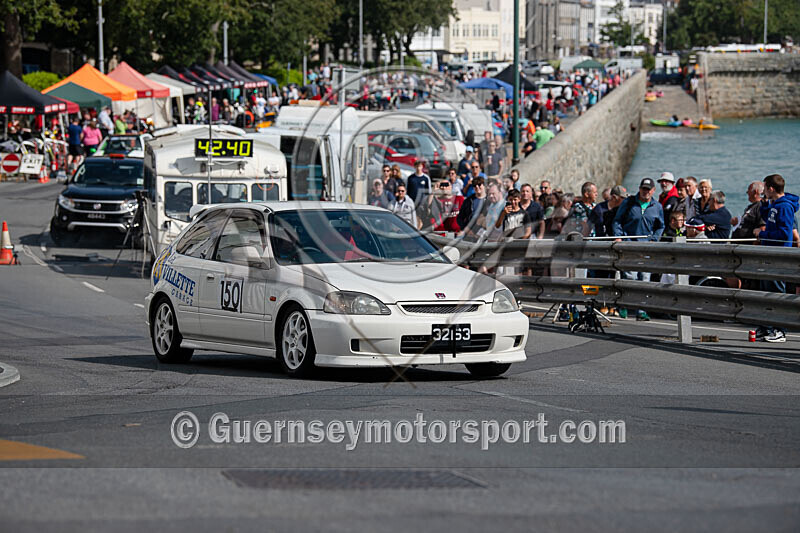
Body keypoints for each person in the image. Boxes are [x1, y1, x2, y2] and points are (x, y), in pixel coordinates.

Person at [612, 178, 665, 321]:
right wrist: (619, 237)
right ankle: (625, 305)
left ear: (653, 190)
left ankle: (641, 310)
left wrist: (655, 239)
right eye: (643, 189)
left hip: (646, 246)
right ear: (639, 189)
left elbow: (660, 226)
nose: (645, 192)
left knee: (645, 279)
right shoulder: (629, 203)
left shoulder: (657, 206)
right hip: (630, 244)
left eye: (648, 189)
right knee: (630, 277)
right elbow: (617, 220)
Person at [753, 174, 798, 342]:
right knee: (766, 291)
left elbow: (783, 234)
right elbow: (770, 219)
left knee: (777, 292)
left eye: (765, 188)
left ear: (771, 188)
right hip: (769, 255)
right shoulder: (775, 205)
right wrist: (764, 204)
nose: (763, 191)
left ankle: (780, 329)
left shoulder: (785, 207)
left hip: (779, 256)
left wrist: (762, 234)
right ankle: (767, 326)